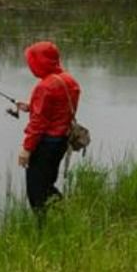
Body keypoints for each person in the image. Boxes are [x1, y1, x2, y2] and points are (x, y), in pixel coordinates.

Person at [15, 40, 81, 211]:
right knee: (47, 183)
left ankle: (45, 225)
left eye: (32, 62)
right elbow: (59, 110)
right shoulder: (69, 80)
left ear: (39, 63)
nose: (30, 67)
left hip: (45, 144)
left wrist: (26, 149)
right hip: (61, 142)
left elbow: (38, 124)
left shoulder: (44, 87)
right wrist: (31, 107)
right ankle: (64, 214)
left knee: (36, 191)